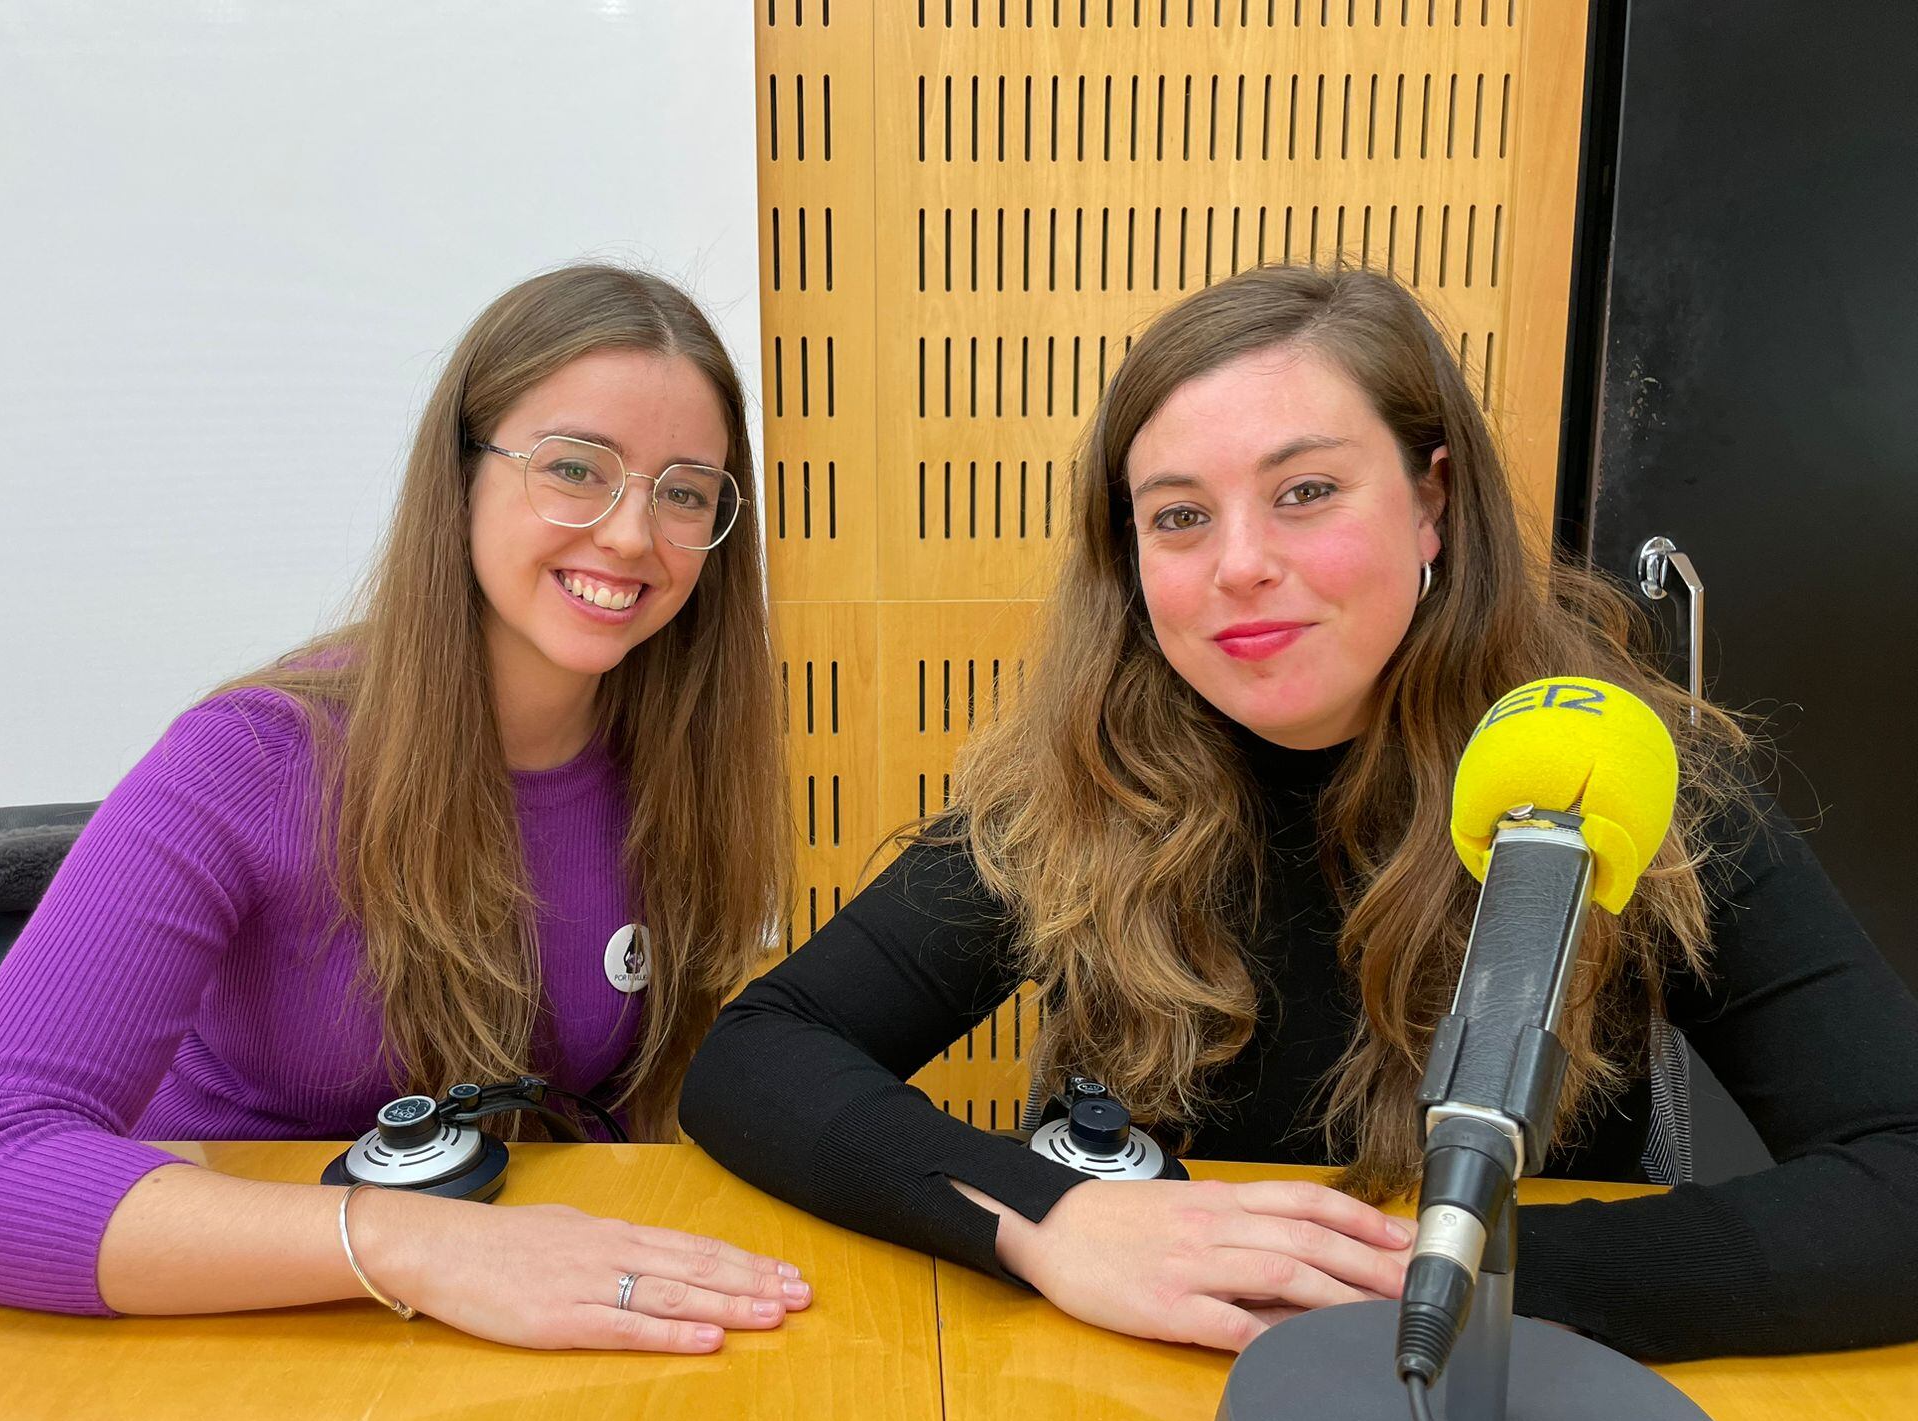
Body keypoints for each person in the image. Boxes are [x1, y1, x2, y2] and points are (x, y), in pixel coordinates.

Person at [680, 262, 1918, 1362]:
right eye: (1176, 516)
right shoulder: (1073, 782)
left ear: (1430, 501)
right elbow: (758, 1056)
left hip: (1501, 1396)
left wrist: (1468, 1283)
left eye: (1305, 491)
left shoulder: (1619, 771)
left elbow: (1899, 1178)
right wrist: (1051, 1221)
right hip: (1152, 1387)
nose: (1235, 565)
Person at [0, 265, 811, 1354]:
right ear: (459, 478)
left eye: (684, 490)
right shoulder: (250, 760)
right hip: (212, 1343)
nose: (628, 535)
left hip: (492, 1316)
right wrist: (413, 1245)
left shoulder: (681, 766)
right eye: (573, 469)